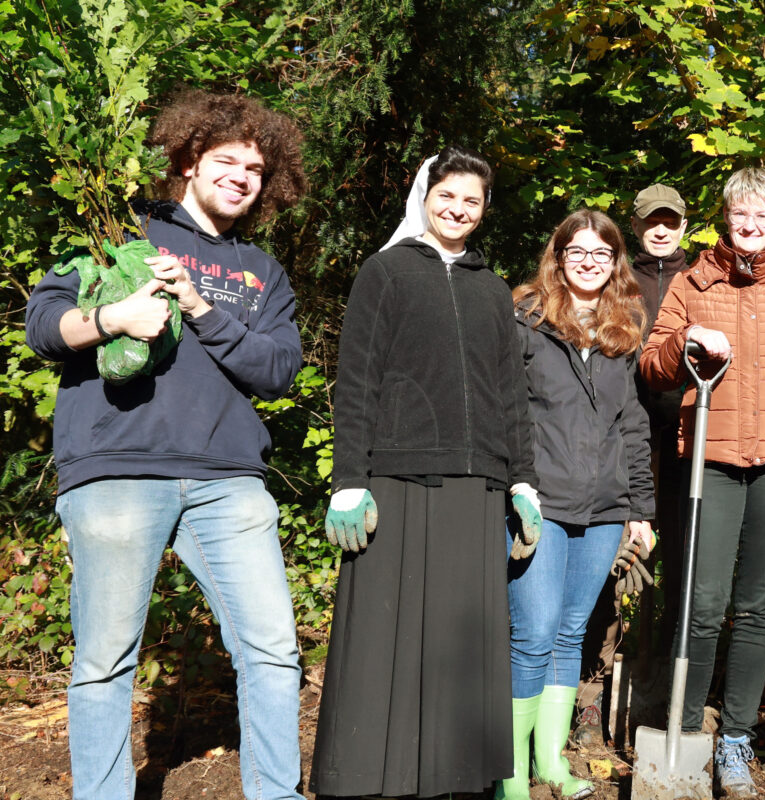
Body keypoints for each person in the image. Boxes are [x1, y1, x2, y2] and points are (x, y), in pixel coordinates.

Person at [24, 90, 308, 800]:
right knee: (103, 662)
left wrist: (198, 307)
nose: (243, 177)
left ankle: (276, 793)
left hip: (230, 481)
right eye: (228, 161)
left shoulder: (261, 273)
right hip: (119, 471)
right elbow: (44, 326)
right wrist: (115, 315)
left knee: (274, 652)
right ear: (187, 160)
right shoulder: (123, 234)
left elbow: (277, 370)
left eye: (256, 169)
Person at [312, 147, 541, 798]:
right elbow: (355, 380)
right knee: (384, 637)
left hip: (478, 487)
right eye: (448, 195)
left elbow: (510, 396)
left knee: (460, 642)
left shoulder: (492, 290)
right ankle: (366, 778)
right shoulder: (384, 273)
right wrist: (347, 480)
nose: (458, 209)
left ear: (484, 210)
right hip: (395, 479)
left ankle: (457, 779)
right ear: (425, 194)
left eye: (472, 200)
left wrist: (521, 481)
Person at [639, 168, 765, 798]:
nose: (749, 226)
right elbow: (653, 363)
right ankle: (686, 732)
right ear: (725, 216)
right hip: (709, 459)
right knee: (702, 602)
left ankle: (737, 739)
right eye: (739, 214)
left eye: (762, 216)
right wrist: (687, 342)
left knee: (756, 609)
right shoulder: (694, 280)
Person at [505, 209, 655, 800]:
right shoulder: (527, 319)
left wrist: (640, 508)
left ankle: (549, 762)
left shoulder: (623, 329)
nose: (589, 262)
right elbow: (507, 412)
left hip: (603, 510)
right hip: (540, 502)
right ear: (558, 257)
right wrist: (517, 486)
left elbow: (634, 425)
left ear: (615, 262)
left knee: (570, 634)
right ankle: (510, 770)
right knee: (533, 634)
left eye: (601, 253)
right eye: (578, 252)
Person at [572, 185, 690, 746]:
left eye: (671, 221)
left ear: (685, 225)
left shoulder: (701, 281)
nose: (661, 230)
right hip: (621, 446)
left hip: (689, 447)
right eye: (652, 222)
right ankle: (590, 697)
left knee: (682, 577)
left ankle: (661, 696)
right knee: (611, 569)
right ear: (637, 225)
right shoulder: (619, 284)